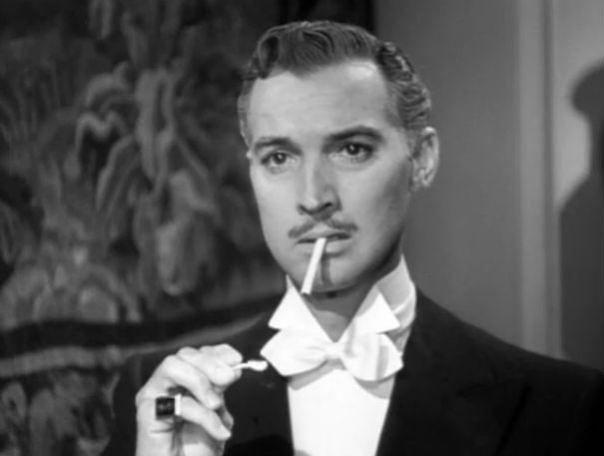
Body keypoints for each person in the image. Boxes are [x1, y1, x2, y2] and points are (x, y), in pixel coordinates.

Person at [102, 21, 604, 456]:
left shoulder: (559, 409)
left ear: (422, 160)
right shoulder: (167, 401)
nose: (313, 197)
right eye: (279, 157)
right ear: (251, 170)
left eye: (351, 150)